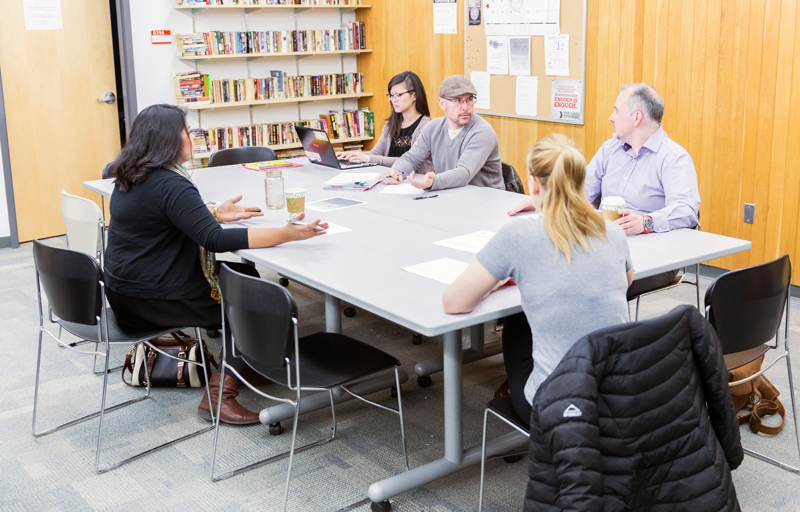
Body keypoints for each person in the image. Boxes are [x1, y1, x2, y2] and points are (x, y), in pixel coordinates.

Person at [103, 104, 326, 425]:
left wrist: (214, 212)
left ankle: (247, 364)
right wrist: (286, 233)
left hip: (123, 294)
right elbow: (214, 241)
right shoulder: (171, 183)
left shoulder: (129, 175)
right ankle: (220, 396)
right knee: (252, 299)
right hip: (150, 300)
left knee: (246, 273)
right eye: (187, 132)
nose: (193, 139)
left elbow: (159, 216)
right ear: (168, 140)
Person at [443, 134, 633, 424]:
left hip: (556, 407)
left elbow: (454, 303)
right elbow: (626, 282)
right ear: (581, 181)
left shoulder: (519, 236)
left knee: (518, 323)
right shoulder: (614, 232)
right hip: (621, 396)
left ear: (533, 184)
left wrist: (492, 283)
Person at [508, 83, 700, 295]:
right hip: (605, 245)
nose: (611, 117)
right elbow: (581, 189)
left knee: (583, 280)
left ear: (636, 118)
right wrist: (544, 199)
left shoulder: (673, 158)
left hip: (655, 258)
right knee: (551, 267)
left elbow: (687, 210)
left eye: (616, 111)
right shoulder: (610, 149)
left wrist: (645, 222)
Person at [381, 74, 503, 191]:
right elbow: (411, 158)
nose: (465, 107)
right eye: (457, 100)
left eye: (469, 99)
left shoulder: (482, 132)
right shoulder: (433, 128)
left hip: (486, 201)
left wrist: (432, 182)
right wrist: (395, 171)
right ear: (442, 103)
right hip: (451, 195)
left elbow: (464, 173)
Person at [337, 71, 432, 174]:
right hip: (389, 179)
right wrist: (353, 155)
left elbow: (411, 162)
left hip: (414, 181)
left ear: (414, 96)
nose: (394, 100)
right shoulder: (390, 125)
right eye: (391, 95)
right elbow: (375, 153)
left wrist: (368, 158)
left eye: (398, 95)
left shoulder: (426, 126)